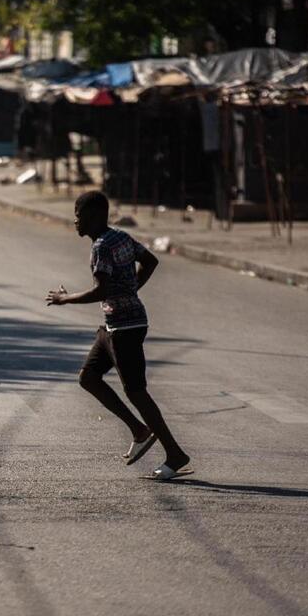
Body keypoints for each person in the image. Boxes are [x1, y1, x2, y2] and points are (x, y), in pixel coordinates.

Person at [46, 191, 191, 480]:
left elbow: (102, 290)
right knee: (88, 377)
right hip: (116, 325)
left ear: (95, 216)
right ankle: (139, 430)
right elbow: (150, 261)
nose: (75, 221)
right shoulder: (121, 237)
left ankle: (175, 453)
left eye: (79, 215)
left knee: (136, 391)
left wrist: (66, 299)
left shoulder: (101, 246)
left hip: (125, 327)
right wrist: (132, 289)